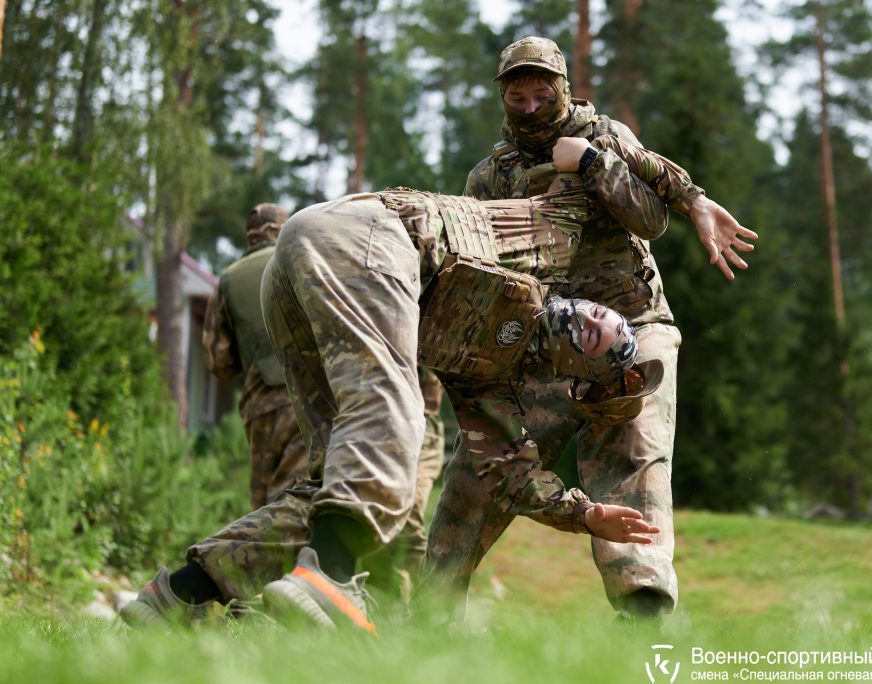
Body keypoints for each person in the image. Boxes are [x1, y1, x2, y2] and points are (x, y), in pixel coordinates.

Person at [120, 164, 709, 631]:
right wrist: (687, 198)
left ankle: (173, 595)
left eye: (596, 338)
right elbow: (612, 166)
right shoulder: (556, 236)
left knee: (340, 477)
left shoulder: (492, 387)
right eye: (602, 315)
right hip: (365, 233)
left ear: (574, 373)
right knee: (396, 417)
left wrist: (585, 513)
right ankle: (328, 580)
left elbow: (512, 473)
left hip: (304, 268)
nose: (595, 317)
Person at [426, 36, 757, 619]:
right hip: (549, 343)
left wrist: (589, 163)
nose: (530, 107)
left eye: (541, 93)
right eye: (517, 96)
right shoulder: (490, 176)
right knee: (478, 469)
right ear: (503, 98)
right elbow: (480, 272)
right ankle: (431, 611)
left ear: (563, 89)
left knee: (633, 451)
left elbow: (650, 219)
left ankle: (644, 606)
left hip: (635, 323)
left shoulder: (604, 137)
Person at [203, 203, 308, 510]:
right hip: (308, 398)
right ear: (283, 230)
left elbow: (218, 362)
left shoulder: (228, 280)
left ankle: (251, 556)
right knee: (299, 501)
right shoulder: (302, 261)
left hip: (259, 406)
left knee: (263, 506)